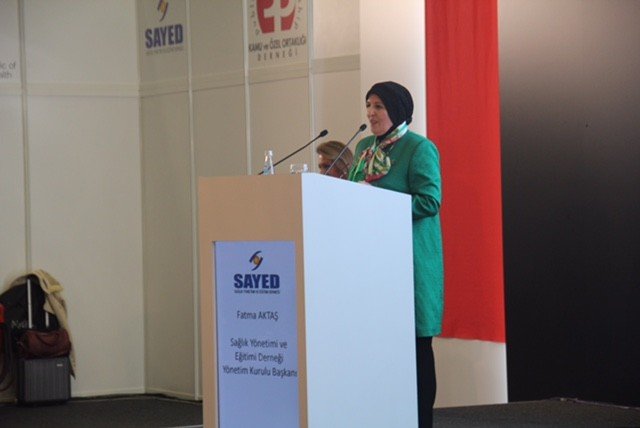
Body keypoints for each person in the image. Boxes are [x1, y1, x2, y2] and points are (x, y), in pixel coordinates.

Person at [348, 81, 443, 427]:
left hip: (409, 264)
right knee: (378, 350)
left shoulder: (419, 148)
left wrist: (378, 202)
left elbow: (429, 201)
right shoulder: (363, 148)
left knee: (416, 351)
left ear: (398, 111)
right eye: (368, 105)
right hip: (371, 265)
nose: (371, 113)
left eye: (379, 106)